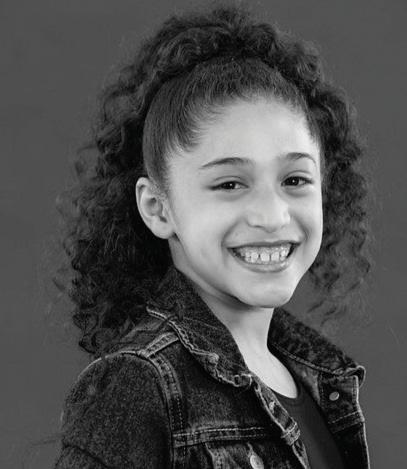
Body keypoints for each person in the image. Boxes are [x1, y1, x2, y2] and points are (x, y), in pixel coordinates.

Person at [53, 3, 372, 468]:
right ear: (157, 208)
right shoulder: (140, 383)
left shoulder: (320, 380)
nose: (272, 216)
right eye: (230, 184)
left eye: (295, 180)